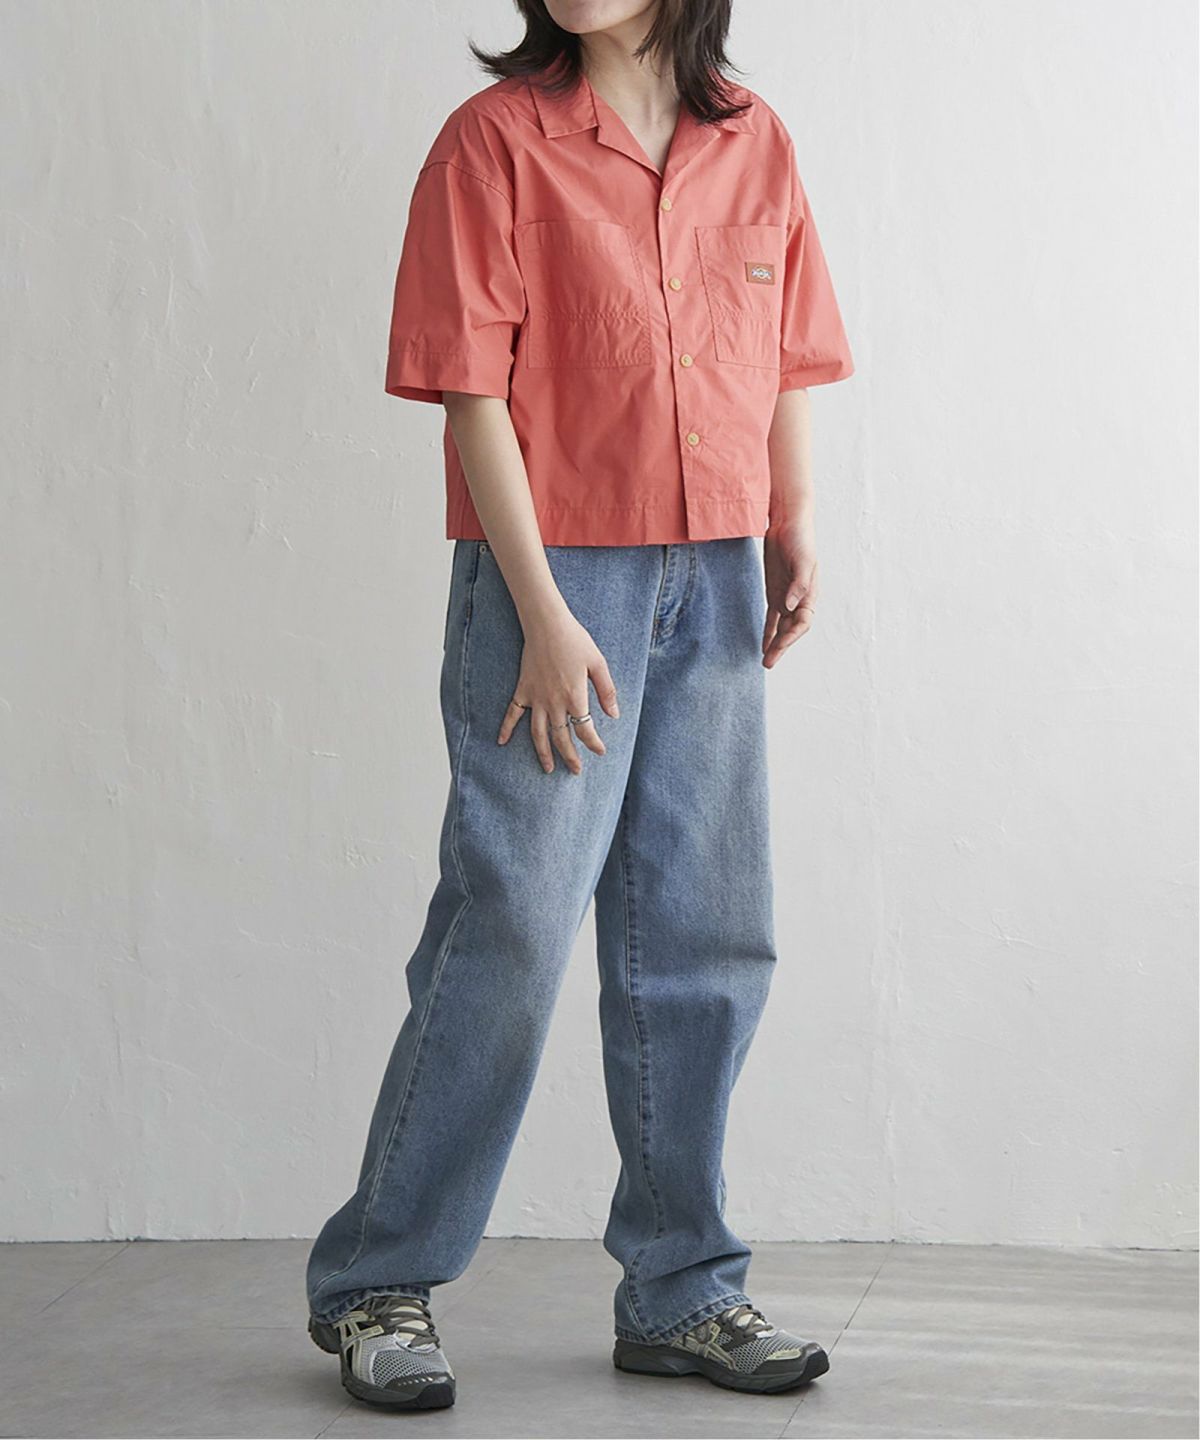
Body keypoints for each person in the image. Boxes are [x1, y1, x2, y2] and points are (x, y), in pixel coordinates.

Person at [305, 0, 854, 1410]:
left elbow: (784, 349)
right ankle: (377, 1280)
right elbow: (469, 392)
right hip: (551, 580)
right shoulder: (492, 145)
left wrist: (791, 519)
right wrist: (542, 615)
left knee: (708, 935)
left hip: (716, 571)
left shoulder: (756, 140)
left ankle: (685, 1288)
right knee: (513, 924)